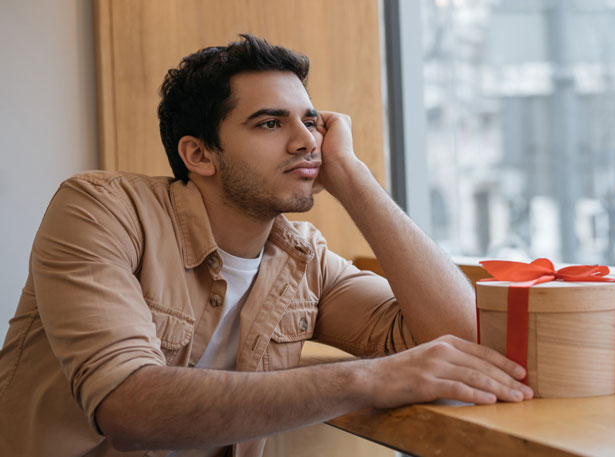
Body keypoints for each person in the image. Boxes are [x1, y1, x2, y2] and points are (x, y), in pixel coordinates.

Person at [0, 34, 532, 457]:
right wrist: (369, 379)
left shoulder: (303, 256)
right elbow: (128, 406)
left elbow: (462, 337)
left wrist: (351, 175)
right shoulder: (101, 209)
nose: (306, 140)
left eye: (310, 121)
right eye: (270, 123)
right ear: (199, 154)